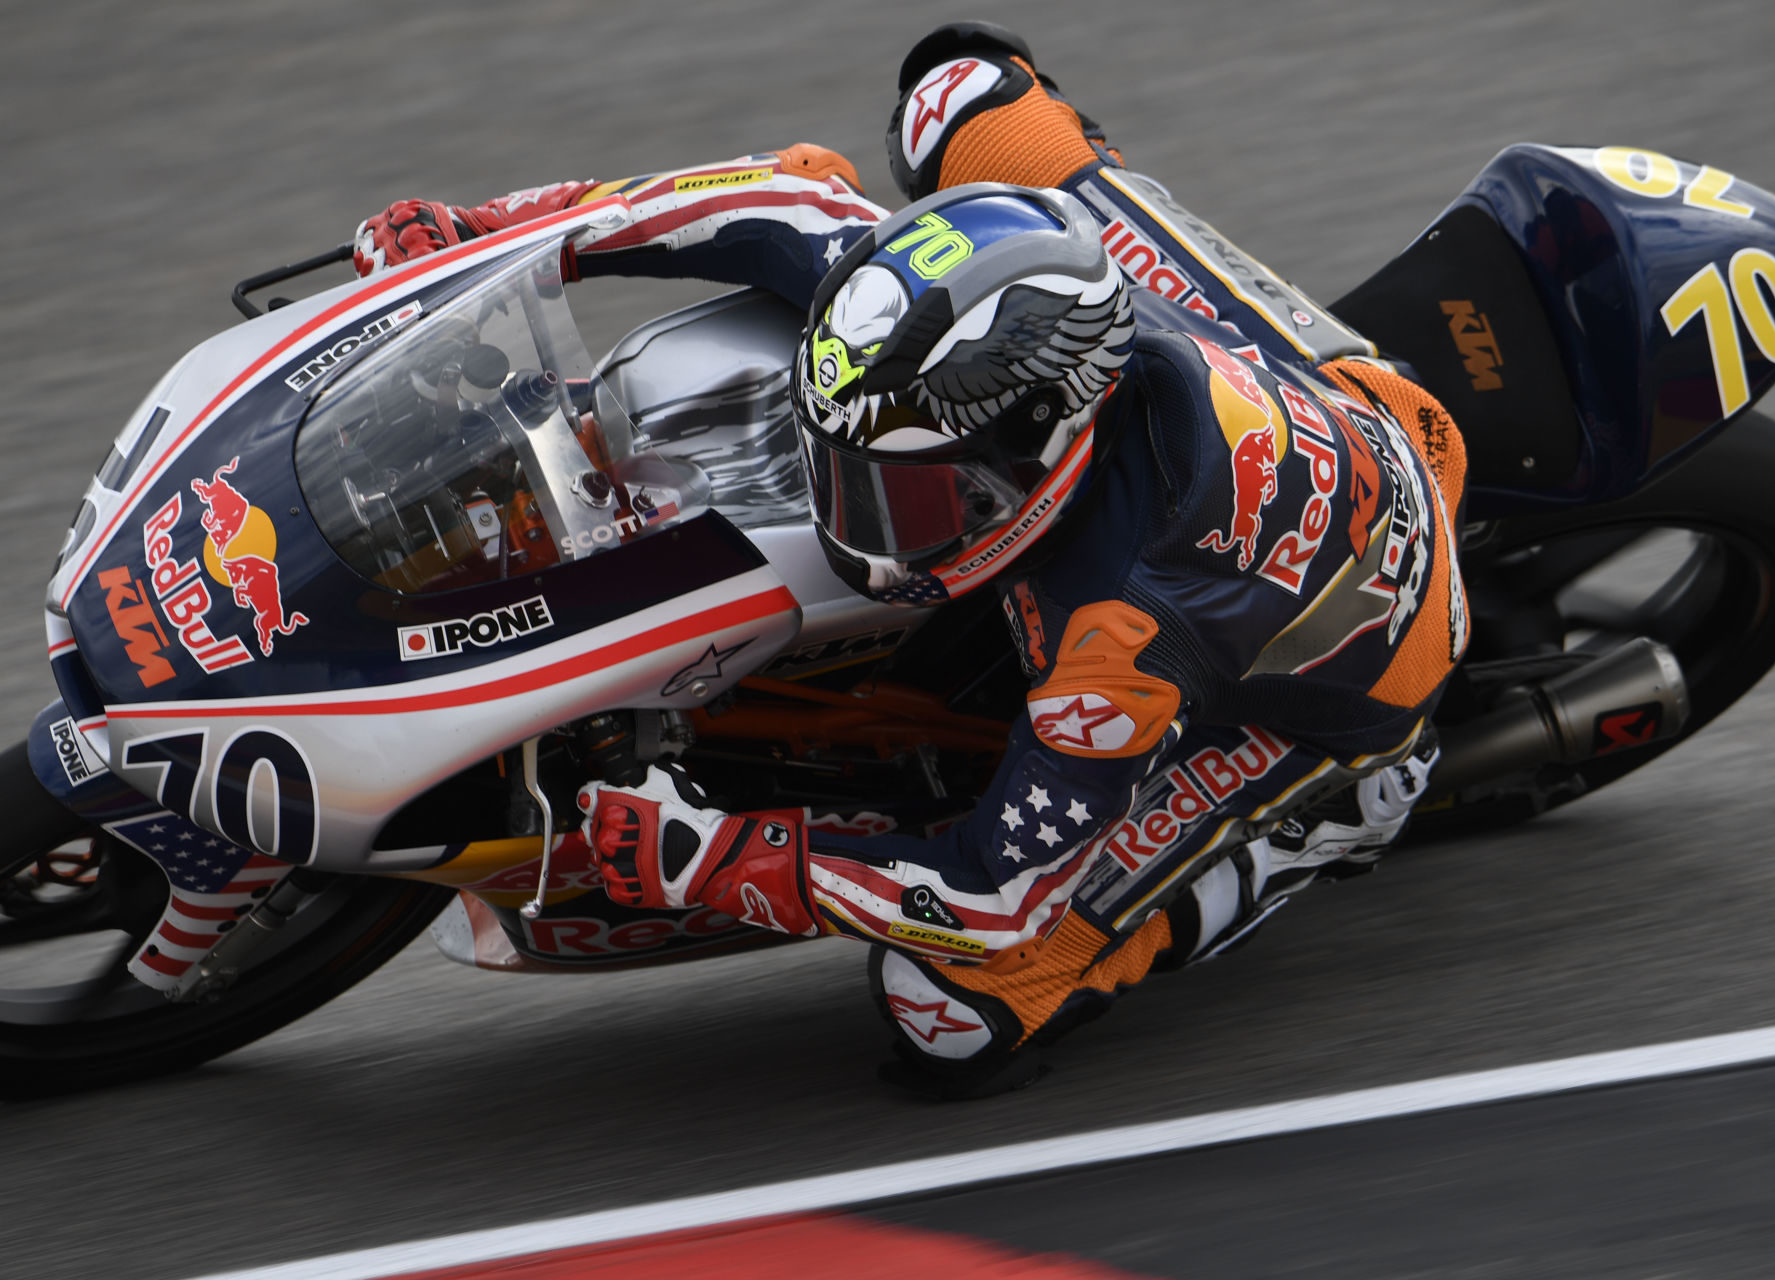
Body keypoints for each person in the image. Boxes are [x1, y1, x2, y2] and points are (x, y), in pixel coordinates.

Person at [353, 23, 1467, 1098]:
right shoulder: (1014, 367)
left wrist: (715, 856)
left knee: (954, 1003)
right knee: (959, 92)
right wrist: (493, 236)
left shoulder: (1117, 645)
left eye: (917, 490)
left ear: (1041, 452)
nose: (866, 518)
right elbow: (779, 195)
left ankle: (1334, 823)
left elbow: (990, 888)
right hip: (1319, 385)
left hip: (1363, 655)